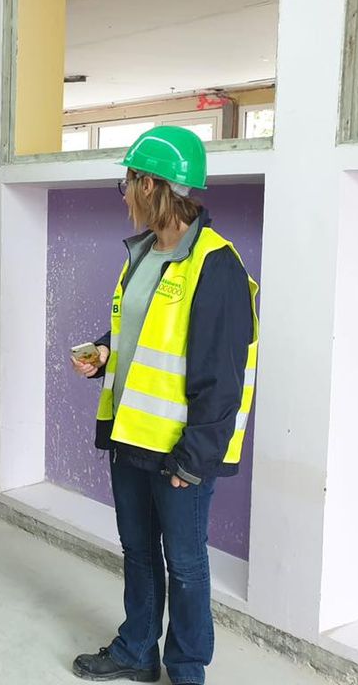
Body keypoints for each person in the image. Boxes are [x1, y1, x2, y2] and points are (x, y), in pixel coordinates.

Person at [69, 126, 258, 685]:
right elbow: (139, 330)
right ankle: (137, 650)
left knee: (186, 563)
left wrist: (195, 459)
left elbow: (223, 377)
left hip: (180, 452)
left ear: (149, 185)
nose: (125, 196)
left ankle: (188, 668)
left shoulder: (216, 264)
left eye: (126, 184)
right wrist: (105, 351)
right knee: (138, 551)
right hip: (131, 436)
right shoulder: (144, 253)